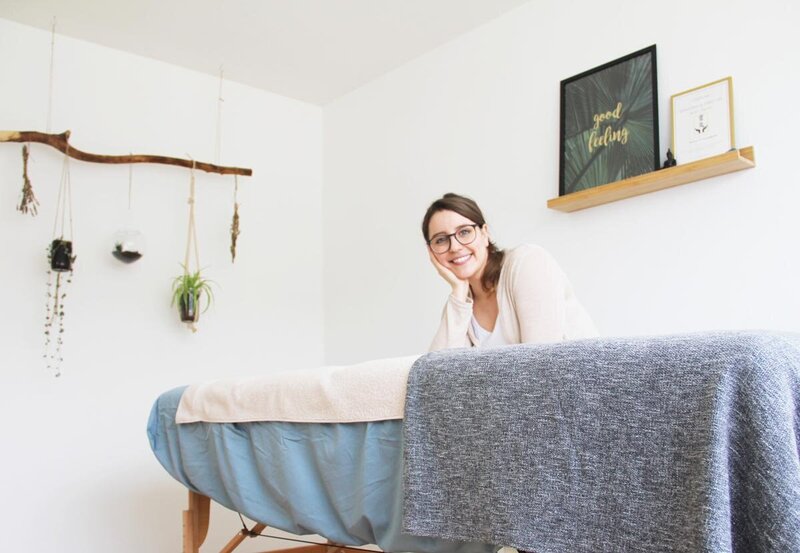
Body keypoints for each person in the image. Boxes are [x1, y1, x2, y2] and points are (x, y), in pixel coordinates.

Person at [423, 193, 597, 351]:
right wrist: (458, 292)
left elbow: (542, 362)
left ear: (485, 234)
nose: (454, 247)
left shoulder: (527, 263)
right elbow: (435, 376)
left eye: (464, 232)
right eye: (441, 240)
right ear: (431, 251)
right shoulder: (460, 303)